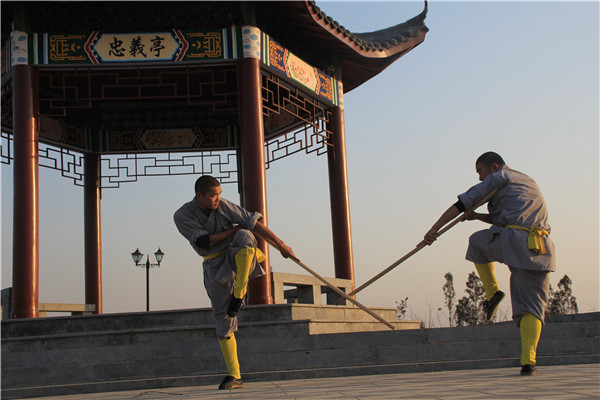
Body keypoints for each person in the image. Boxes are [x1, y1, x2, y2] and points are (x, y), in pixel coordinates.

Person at [423, 152, 555, 376]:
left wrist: (433, 230)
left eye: (480, 171)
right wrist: (477, 217)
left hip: (515, 241)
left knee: (476, 242)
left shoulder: (499, 177)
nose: (480, 178)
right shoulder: (526, 181)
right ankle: (528, 362)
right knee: (531, 307)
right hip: (541, 247)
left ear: (494, 166)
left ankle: (492, 292)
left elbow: (461, 203)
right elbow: (510, 216)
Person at [174, 175, 295, 390]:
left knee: (246, 236)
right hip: (214, 265)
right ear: (199, 195)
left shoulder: (224, 205)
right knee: (224, 317)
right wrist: (234, 229)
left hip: (236, 254)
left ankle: (240, 293)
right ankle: (234, 376)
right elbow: (204, 241)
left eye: (220, 194)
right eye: (213, 196)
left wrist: (281, 245)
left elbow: (253, 224)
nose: (218, 199)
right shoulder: (182, 215)